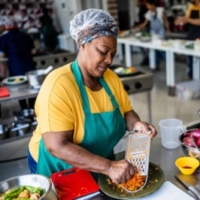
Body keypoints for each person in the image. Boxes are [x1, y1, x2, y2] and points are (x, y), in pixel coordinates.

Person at [28, 8, 157, 183]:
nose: (109, 60)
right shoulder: (59, 84)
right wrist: (108, 167)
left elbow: (126, 112)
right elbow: (57, 146)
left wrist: (137, 124)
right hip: (59, 168)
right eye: (103, 51)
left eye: (112, 54)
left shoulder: (111, 78)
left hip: (97, 165)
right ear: (82, 43)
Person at [0, 17, 36, 109]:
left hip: (15, 65)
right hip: (29, 64)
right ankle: (32, 108)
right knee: (31, 87)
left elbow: (2, 54)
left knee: (19, 89)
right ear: (16, 25)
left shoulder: (4, 38)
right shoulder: (26, 35)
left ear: (6, 26)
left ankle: (24, 108)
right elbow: (33, 51)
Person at [135, 0, 170, 70]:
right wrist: (138, 28)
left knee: (163, 50)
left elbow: (166, 21)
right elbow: (145, 23)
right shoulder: (149, 13)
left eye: (148, 5)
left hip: (161, 33)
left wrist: (168, 30)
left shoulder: (160, 11)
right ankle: (155, 65)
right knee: (153, 49)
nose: (147, 7)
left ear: (152, 5)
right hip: (153, 34)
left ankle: (169, 64)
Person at [175, 0, 200, 79]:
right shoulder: (191, 7)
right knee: (190, 55)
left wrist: (187, 20)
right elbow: (187, 18)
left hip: (199, 35)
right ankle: (191, 75)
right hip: (191, 33)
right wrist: (181, 20)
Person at [134, 0, 150, 66]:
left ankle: (147, 58)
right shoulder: (141, 9)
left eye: (138, 2)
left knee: (145, 45)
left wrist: (139, 27)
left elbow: (146, 22)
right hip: (142, 28)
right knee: (140, 44)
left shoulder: (145, 9)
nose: (136, 4)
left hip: (146, 29)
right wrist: (138, 25)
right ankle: (146, 57)